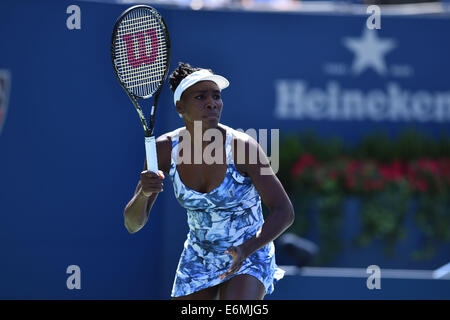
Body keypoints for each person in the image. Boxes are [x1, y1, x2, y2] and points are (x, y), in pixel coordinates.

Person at [123, 62, 295, 300]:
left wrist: (246, 248)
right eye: (200, 96)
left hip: (250, 252)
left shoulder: (244, 147)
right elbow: (133, 224)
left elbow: (284, 211)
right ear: (180, 107)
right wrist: (143, 193)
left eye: (216, 96)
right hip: (199, 256)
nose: (212, 102)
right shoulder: (163, 150)